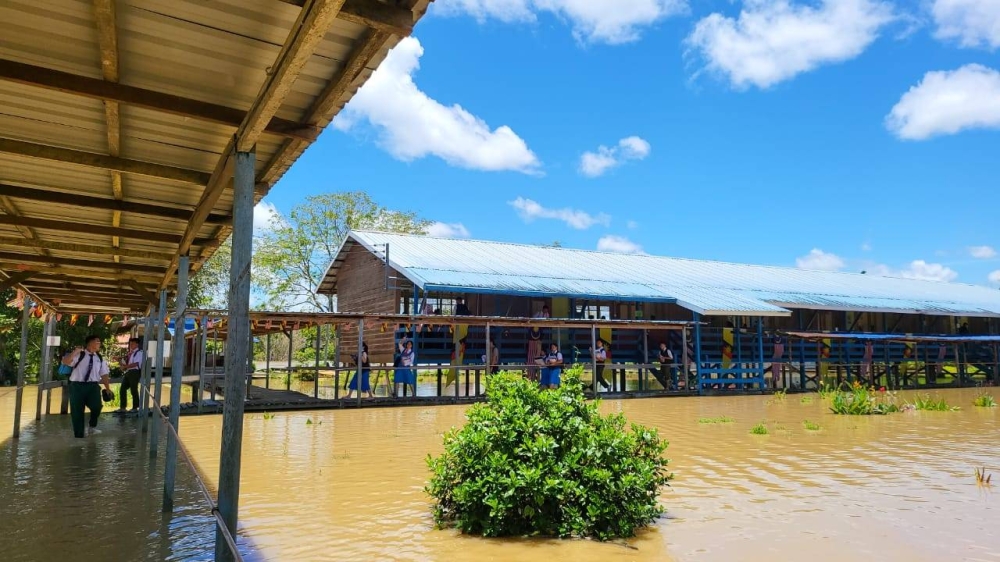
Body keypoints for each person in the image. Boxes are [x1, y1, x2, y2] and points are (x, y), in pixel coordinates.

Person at [63, 335, 112, 438]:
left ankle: (92, 427)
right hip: (77, 386)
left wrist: (108, 389)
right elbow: (66, 362)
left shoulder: (99, 357)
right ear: (90, 343)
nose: (100, 344)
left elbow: (104, 374)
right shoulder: (79, 355)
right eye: (97, 341)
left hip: (93, 386)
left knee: (97, 407)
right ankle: (79, 436)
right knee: (77, 411)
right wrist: (75, 352)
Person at [118, 337, 144, 412]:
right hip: (128, 372)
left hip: (135, 372)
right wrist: (120, 362)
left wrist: (125, 366)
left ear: (137, 344)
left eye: (132, 343)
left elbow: (136, 364)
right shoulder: (131, 353)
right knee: (122, 389)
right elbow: (127, 363)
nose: (131, 345)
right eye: (130, 344)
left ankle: (135, 407)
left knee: (133, 389)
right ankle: (123, 407)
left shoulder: (139, 352)